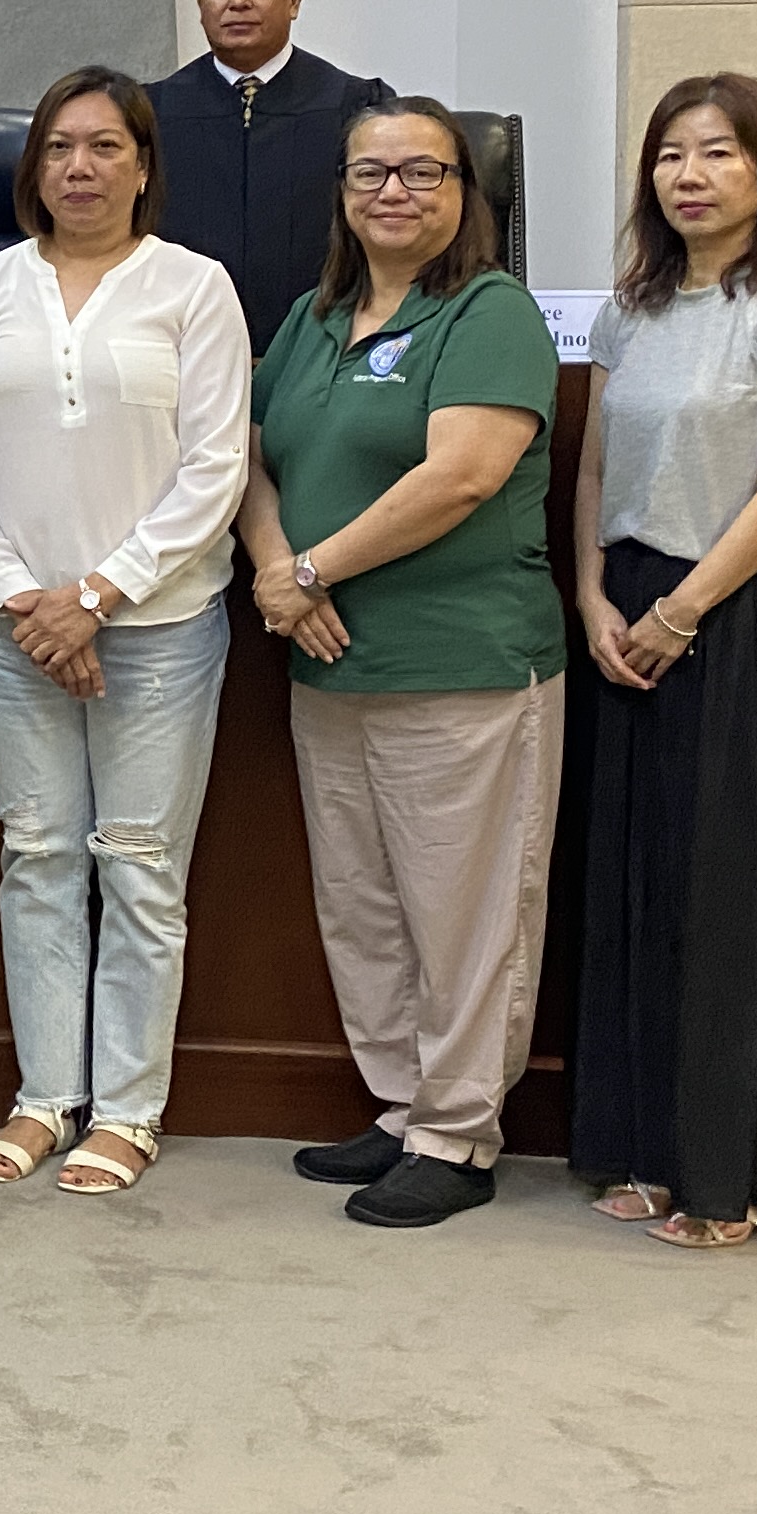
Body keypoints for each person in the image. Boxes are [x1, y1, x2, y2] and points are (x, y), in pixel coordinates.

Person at [239, 97, 564, 1231]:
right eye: (372, 173)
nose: (394, 192)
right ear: (341, 191)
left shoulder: (488, 311)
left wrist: (311, 573)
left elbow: (461, 476)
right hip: (329, 662)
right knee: (365, 904)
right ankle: (398, 1102)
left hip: (462, 660)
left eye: (424, 173)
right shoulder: (313, 317)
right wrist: (280, 570)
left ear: (466, 194)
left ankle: (459, 1132)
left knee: (465, 907)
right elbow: (251, 453)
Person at [0, 68, 251, 1198]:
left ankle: (127, 1110)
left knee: (140, 867)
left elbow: (218, 465)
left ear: (145, 166)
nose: (80, 166)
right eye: (60, 147)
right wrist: (26, 596)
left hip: (158, 628)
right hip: (16, 630)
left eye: (105, 146)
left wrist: (101, 594)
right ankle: (44, 1097)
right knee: (36, 859)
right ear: (35, 169)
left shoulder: (195, 288)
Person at [570, 75, 757, 1250]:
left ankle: (724, 1175)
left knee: (723, 894)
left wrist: (680, 613)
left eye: (719, 155)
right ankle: (641, 1148)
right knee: (633, 888)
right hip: (622, 611)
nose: (689, 176)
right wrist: (594, 598)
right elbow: (592, 469)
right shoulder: (628, 311)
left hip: (727, 612)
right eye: (671, 156)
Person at [152, 0, 395, 348]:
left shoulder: (357, 105)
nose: (238, 1)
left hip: (326, 349)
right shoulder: (153, 112)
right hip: (181, 350)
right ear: (200, 2)